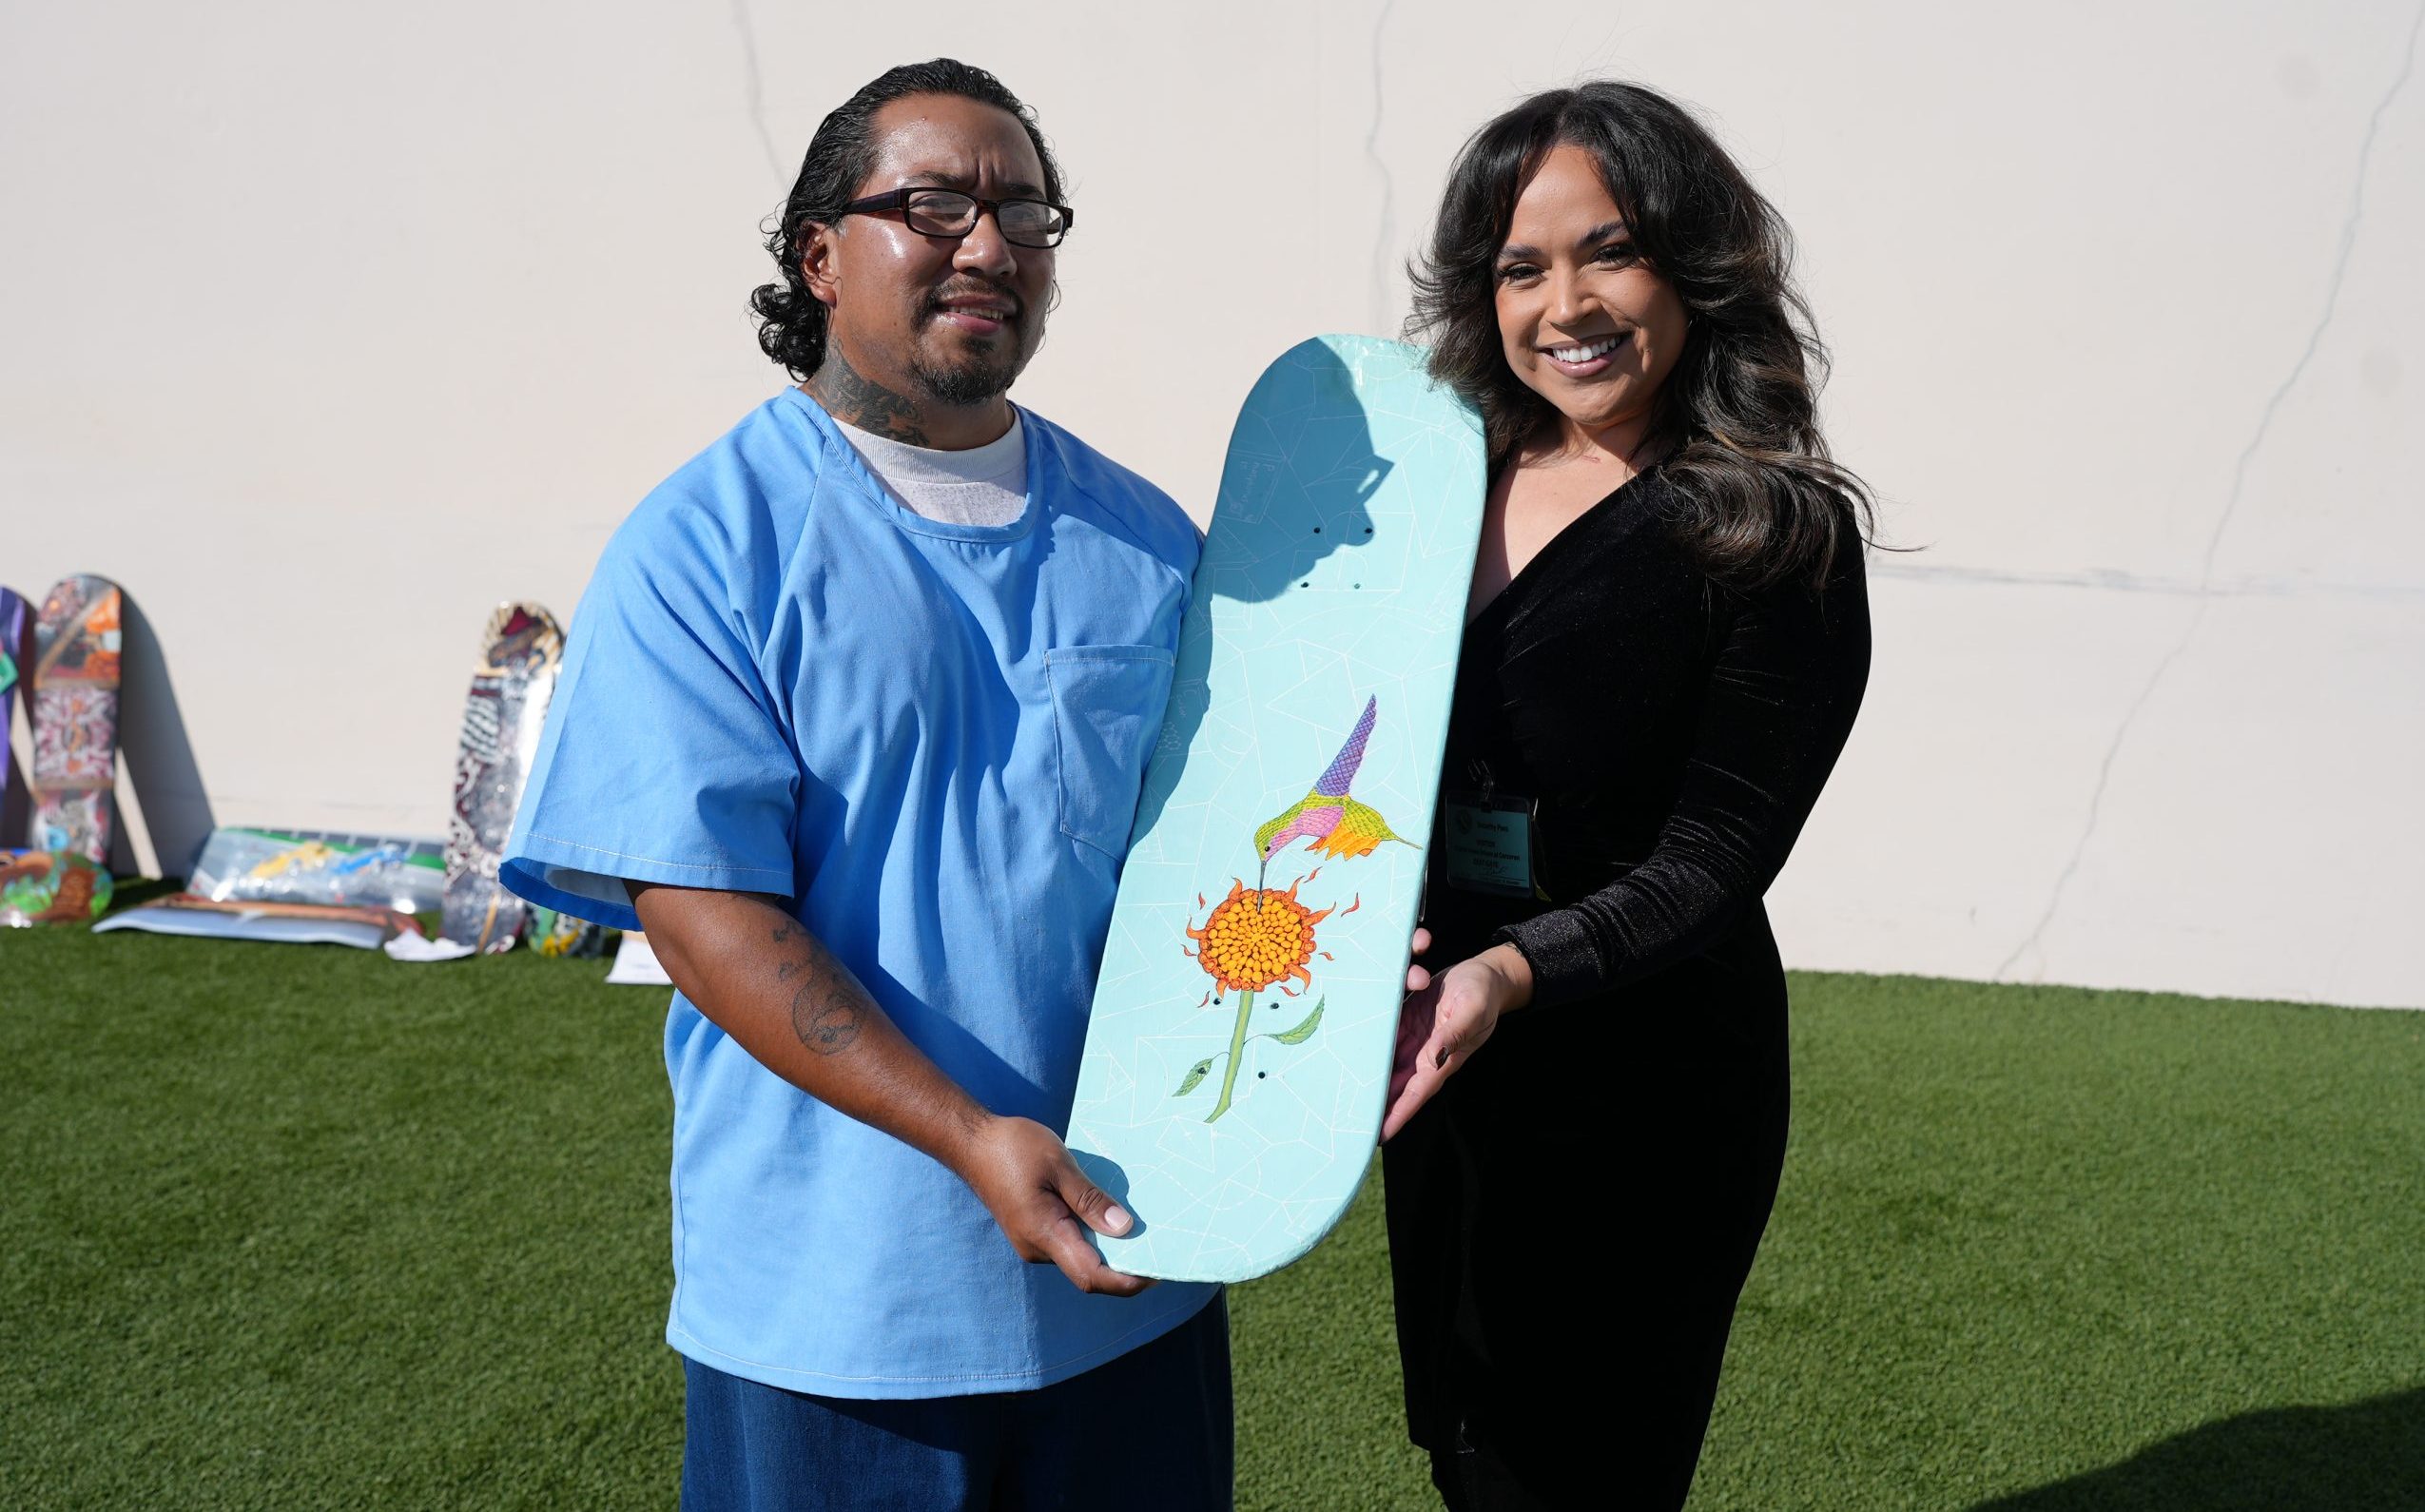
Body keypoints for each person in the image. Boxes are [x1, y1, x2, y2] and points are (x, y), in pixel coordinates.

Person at [498, 59, 1232, 1512]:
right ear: (819, 255)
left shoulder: (1148, 539)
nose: (989, 244)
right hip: (840, 1319)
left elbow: (1217, 864)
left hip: (1129, 1270)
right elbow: (705, 915)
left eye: (1025, 211)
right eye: (935, 205)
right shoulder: (703, 544)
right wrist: (966, 1135)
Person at [1377, 82, 1874, 1511]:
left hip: (1646, 1074)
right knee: (1464, 1432)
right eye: (1521, 266)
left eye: (1610, 252)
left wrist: (1512, 972)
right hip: (1436, 1053)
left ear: (1693, 263)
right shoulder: (1429, 481)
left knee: (1588, 1471)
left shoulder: (1770, 527)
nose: (1566, 304)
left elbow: (1717, 853)